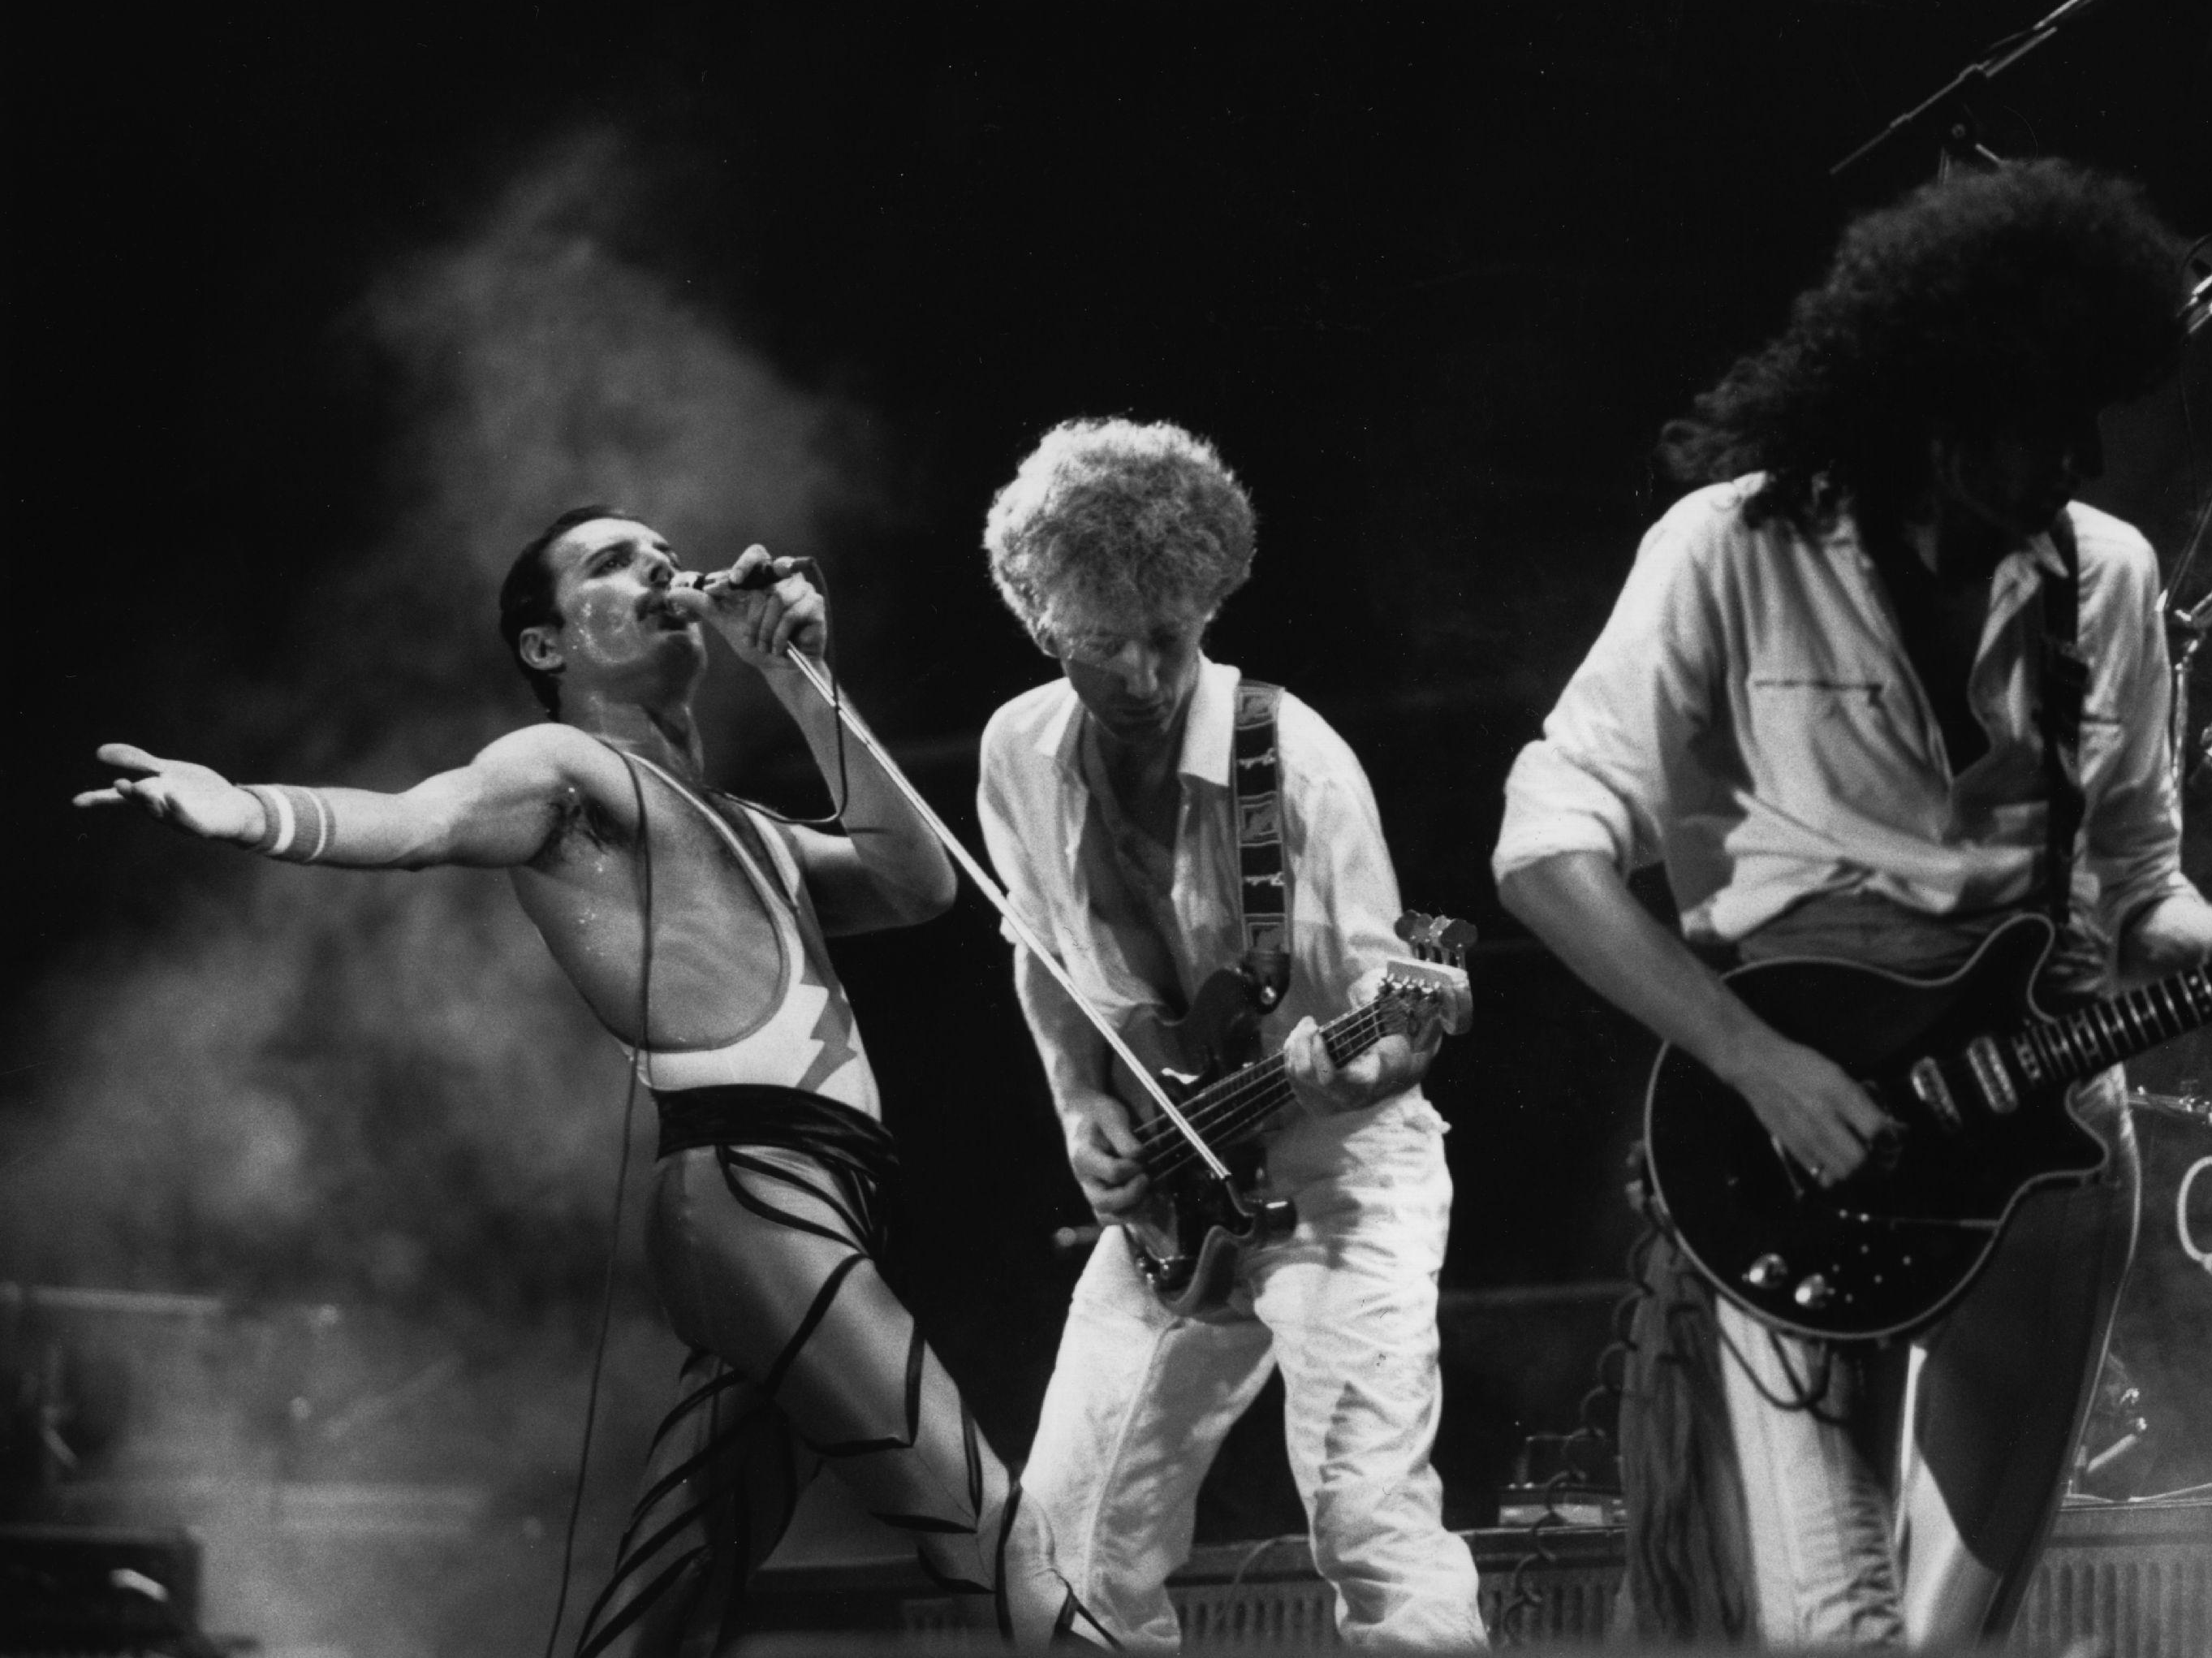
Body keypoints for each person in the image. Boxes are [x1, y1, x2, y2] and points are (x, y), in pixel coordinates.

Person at [1490, 162, 2212, 1647]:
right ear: (1923, 397)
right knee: (1830, 1623)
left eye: (2092, 410)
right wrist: (1760, 1061)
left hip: (2052, 1164)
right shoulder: (1726, 552)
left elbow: (2141, 907)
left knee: (1951, 1634)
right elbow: (1547, 847)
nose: (2074, 451)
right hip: (1792, 1150)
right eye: (2038, 414)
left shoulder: (2109, 579)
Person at [76, 508, 1107, 1654]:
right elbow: (421, 821)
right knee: (992, 1525)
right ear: (546, 648)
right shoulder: (561, 767)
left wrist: (801, 677)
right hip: (752, 1200)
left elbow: (917, 885)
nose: (662, 566)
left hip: (819, 1199)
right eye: (615, 561)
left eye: (665, 550)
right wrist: (248, 811)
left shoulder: (756, 831)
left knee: (671, 1593)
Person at [972, 418, 1487, 1650]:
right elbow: (1038, 951)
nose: (1148, 675)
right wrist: (1076, 1103)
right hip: (1172, 1178)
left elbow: (1396, 1010)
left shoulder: (1299, 770)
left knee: (1370, 1521)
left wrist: (1370, 1056)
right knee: (1064, 1543)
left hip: (1342, 1172)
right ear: (1043, 623)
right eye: (1109, 643)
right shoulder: (1015, 752)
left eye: (1175, 635)